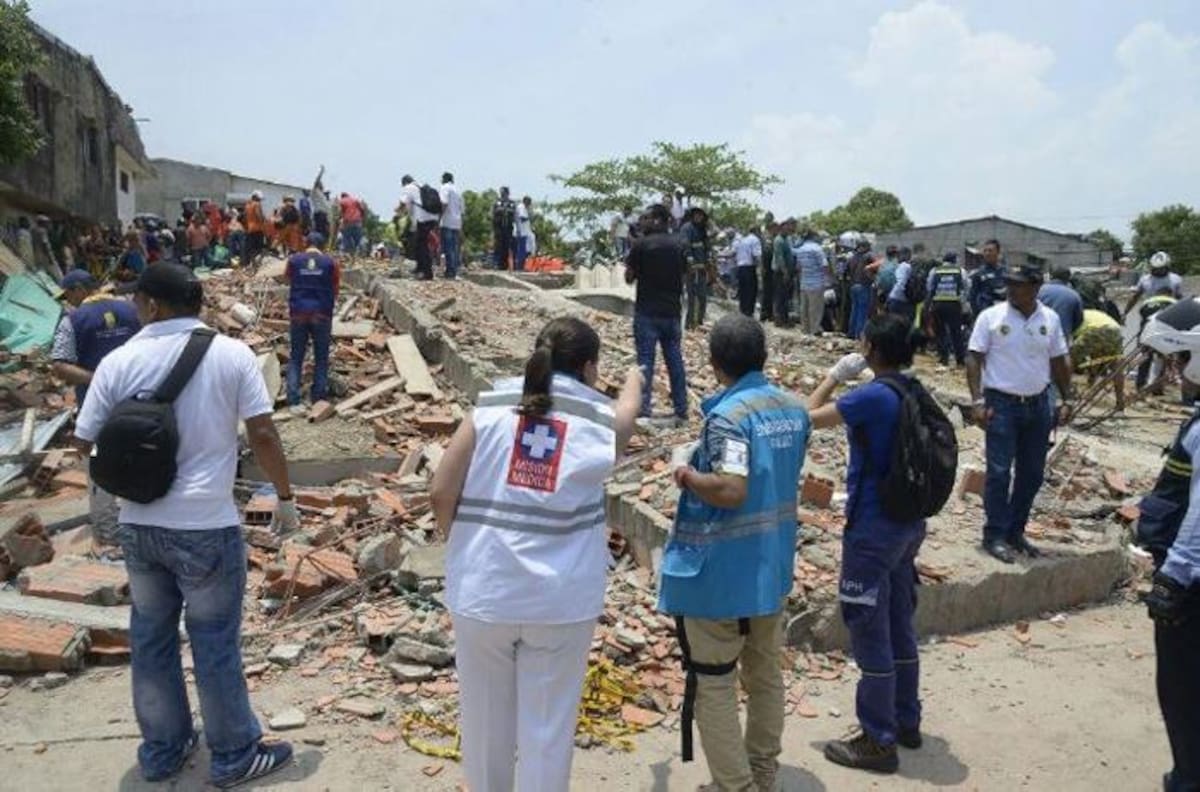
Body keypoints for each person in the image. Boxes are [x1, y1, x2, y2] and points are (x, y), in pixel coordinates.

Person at [71, 263, 298, 788]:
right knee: (214, 640)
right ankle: (234, 755)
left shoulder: (117, 361)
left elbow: (84, 443)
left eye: (136, 303)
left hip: (140, 524)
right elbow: (262, 431)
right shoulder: (233, 355)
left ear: (151, 305)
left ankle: (162, 750)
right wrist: (284, 499)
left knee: (151, 638)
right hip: (206, 524)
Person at [430, 317, 642, 792]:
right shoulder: (598, 419)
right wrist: (633, 380)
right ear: (589, 368)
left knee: (485, 726)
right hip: (560, 601)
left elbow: (442, 489)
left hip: (484, 589)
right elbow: (627, 416)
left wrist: (464, 546)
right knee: (547, 732)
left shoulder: (490, 404)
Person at [658, 314, 810, 792]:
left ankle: (735, 786)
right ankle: (762, 772)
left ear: (715, 363)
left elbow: (729, 489)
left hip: (721, 577)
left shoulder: (728, 419)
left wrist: (684, 474)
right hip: (771, 570)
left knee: (715, 680)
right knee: (764, 673)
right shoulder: (792, 409)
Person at [806, 315, 927, 773]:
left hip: (873, 529)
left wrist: (833, 376)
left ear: (872, 349)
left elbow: (807, 416)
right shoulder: (912, 388)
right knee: (899, 618)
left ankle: (878, 740)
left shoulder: (873, 396)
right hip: (908, 525)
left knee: (867, 626)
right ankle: (905, 719)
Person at [1134, 297, 1200, 792]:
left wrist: (1174, 577)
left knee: (1183, 693)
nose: (1174, 373)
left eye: (1179, 361)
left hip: (1191, 591)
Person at [966, 262, 1072, 564]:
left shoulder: (1049, 319)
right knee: (999, 473)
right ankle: (994, 534)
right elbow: (974, 358)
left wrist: (1068, 399)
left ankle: (1016, 531)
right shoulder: (991, 316)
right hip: (1001, 404)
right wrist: (977, 401)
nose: (1011, 289)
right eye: (1009, 284)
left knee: (1032, 474)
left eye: (1018, 284)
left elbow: (1059, 361)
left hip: (1039, 405)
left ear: (1036, 287)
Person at [51, 270, 140, 547]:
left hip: (96, 409)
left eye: (68, 295)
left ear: (79, 289)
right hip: (140, 405)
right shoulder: (132, 310)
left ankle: (108, 532)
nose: (68, 301)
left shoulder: (72, 320)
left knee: (97, 464)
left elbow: (59, 365)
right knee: (141, 457)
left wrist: (99, 380)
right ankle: (146, 521)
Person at [625, 204, 689, 424]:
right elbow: (684, 272)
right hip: (672, 312)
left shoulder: (641, 245)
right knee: (675, 361)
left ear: (657, 220)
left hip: (647, 312)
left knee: (645, 362)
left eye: (646, 218)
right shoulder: (679, 245)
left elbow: (629, 278)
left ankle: (644, 410)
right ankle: (681, 409)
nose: (642, 222)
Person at [281, 233, 339, 411]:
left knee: (296, 356)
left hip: (298, 312)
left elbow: (286, 279)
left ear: (306, 244)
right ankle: (318, 397)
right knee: (321, 358)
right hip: (321, 313)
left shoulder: (294, 260)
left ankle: (293, 399)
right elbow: (336, 289)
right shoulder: (330, 263)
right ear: (322, 246)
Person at [1071, 308, 1127, 411]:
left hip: (1096, 330)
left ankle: (1066, 393)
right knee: (1116, 367)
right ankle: (1120, 402)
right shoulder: (1089, 313)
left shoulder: (1073, 316)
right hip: (1116, 330)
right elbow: (1095, 356)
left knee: (1069, 358)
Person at [926, 252, 968, 366]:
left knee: (940, 332)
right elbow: (966, 287)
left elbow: (929, 287)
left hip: (938, 304)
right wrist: (964, 304)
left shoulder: (935, 270)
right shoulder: (960, 271)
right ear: (954, 260)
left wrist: (928, 306)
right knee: (956, 332)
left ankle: (943, 358)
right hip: (954, 304)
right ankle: (960, 359)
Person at [1137, 288, 1179, 392]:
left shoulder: (1146, 302)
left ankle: (1140, 384)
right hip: (1164, 333)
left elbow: (1143, 316)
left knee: (1145, 358)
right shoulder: (1175, 302)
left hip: (1146, 332)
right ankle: (1157, 387)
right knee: (1163, 358)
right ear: (1170, 294)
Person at [399, 175, 439, 279]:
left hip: (423, 219)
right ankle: (420, 269)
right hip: (433, 217)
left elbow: (403, 203)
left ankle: (427, 273)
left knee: (421, 246)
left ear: (404, 182)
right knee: (419, 244)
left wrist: (397, 212)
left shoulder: (408, 188)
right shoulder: (421, 186)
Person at [681, 207, 714, 330]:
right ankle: (689, 324)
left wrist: (709, 258)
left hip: (702, 269)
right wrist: (690, 260)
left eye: (701, 215)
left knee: (702, 296)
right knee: (691, 297)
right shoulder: (687, 228)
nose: (699, 217)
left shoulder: (703, 230)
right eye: (697, 215)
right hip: (691, 269)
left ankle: (699, 322)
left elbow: (707, 246)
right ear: (692, 215)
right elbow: (685, 245)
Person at [1125, 251, 1184, 318]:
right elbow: (1134, 297)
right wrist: (1125, 313)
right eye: (1156, 268)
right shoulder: (1145, 279)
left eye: (1161, 268)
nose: (1158, 270)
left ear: (1167, 266)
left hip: (1170, 313)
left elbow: (1180, 298)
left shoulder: (1175, 279)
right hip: (1150, 311)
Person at [795, 228, 830, 335]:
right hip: (816, 284)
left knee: (804, 309)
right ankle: (814, 331)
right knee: (815, 309)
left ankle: (805, 330)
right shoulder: (817, 249)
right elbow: (824, 265)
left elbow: (798, 267)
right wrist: (828, 280)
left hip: (804, 283)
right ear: (814, 237)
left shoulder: (801, 250)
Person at [1038, 265, 1085, 340]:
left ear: (1051, 276)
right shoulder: (1074, 295)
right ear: (1068, 278)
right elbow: (1078, 320)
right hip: (1062, 338)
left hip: (1040, 334)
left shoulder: (1040, 290)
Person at [968, 238, 1008, 318]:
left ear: (998, 252)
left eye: (990, 251)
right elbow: (972, 297)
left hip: (1003, 315)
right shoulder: (978, 274)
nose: (987, 253)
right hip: (985, 315)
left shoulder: (1006, 272)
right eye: (985, 251)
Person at [847, 242, 875, 339]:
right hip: (863, 286)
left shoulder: (851, 258)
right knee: (862, 312)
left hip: (853, 286)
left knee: (854, 310)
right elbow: (876, 264)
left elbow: (846, 272)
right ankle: (859, 335)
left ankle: (851, 333)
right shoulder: (868, 256)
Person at [438, 172, 464, 279]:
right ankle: (454, 271)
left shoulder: (444, 188)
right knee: (455, 248)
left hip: (447, 221)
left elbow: (444, 203)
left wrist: (438, 218)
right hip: (457, 223)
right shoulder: (458, 191)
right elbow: (462, 210)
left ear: (444, 179)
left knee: (448, 248)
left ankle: (450, 272)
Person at [772, 218, 797, 327]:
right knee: (780, 296)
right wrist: (785, 272)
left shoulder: (787, 239)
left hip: (788, 271)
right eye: (788, 226)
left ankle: (785, 318)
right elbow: (780, 258)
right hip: (781, 272)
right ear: (782, 227)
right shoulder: (778, 240)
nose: (790, 229)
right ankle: (779, 319)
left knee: (786, 296)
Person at [732, 228, 762, 317]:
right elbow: (756, 255)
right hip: (749, 268)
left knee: (743, 292)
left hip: (740, 268)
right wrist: (760, 269)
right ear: (756, 231)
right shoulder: (755, 240)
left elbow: (735, 254)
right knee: (751, 291)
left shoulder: (742, 240)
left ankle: (743, 311)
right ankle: (749, 313)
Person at [885, 246, 914, 324]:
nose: (897, 257)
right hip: (901, 300)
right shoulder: (905, 266)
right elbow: (901, 283)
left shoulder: (901, 266)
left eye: (899, 255)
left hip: (894, 298)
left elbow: (898, 283)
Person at [491, 188, 517, 270]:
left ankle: (504, 265)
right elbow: (494, 212)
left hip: (508, 228)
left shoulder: (511, 203)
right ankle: (496, 264)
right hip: (499, 228)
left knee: (506, 246)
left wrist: (505, 210)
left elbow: (513, 212)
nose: (503, 195)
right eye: (501, 193)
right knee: (498, 246)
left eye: (504, 193)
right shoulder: (497, 202)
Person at [33, 215, 64, 281]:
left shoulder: (34, 230)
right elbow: (45, 245)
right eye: (47, 223)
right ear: (42, 223)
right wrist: (50, 258)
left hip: (38, 256)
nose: (48, 224)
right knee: (58, 275)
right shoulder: (42, 231)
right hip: (46, 257)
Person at [243, 191, 267, 268]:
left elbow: (245, 217)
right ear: (256, 197)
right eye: (259, 199)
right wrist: (263, 219)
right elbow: (259, 216)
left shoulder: (247, 205)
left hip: (250, 228)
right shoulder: (256, 204)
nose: (260, 200)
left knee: (250, 248)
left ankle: (248, 263)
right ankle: (256, 265)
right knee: (258, 248)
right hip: (257, 228)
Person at [759, 216, 776, 323]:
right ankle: (765, 314)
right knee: (767, 292)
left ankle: (768, 313)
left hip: (769, 268)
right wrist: (764, 268)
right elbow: (766, 253)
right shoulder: (767, 238)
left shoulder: (771, 238)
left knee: (770, 292)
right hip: (767, 268)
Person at [338, 192, 365, 256]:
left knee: (346, 238)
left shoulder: (341, 201)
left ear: (342, 197)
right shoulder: (355, 200)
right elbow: (362, 209)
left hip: (347, 222)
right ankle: (361, 253)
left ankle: (347, 253)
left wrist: (340, 220)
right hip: (357, 221)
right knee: (358, 238)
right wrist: (362, 217)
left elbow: (340, 212)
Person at [514, 196, 535, 272]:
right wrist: (530, 216)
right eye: (529, 202)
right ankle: (519, 267)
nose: (529, 204)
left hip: (525, 232)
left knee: (527, 250)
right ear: (525, 201)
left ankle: (523, 266)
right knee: (521, 250)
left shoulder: (525, 208)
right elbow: (522, 218)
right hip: (521, 232)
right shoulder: (521, 207)